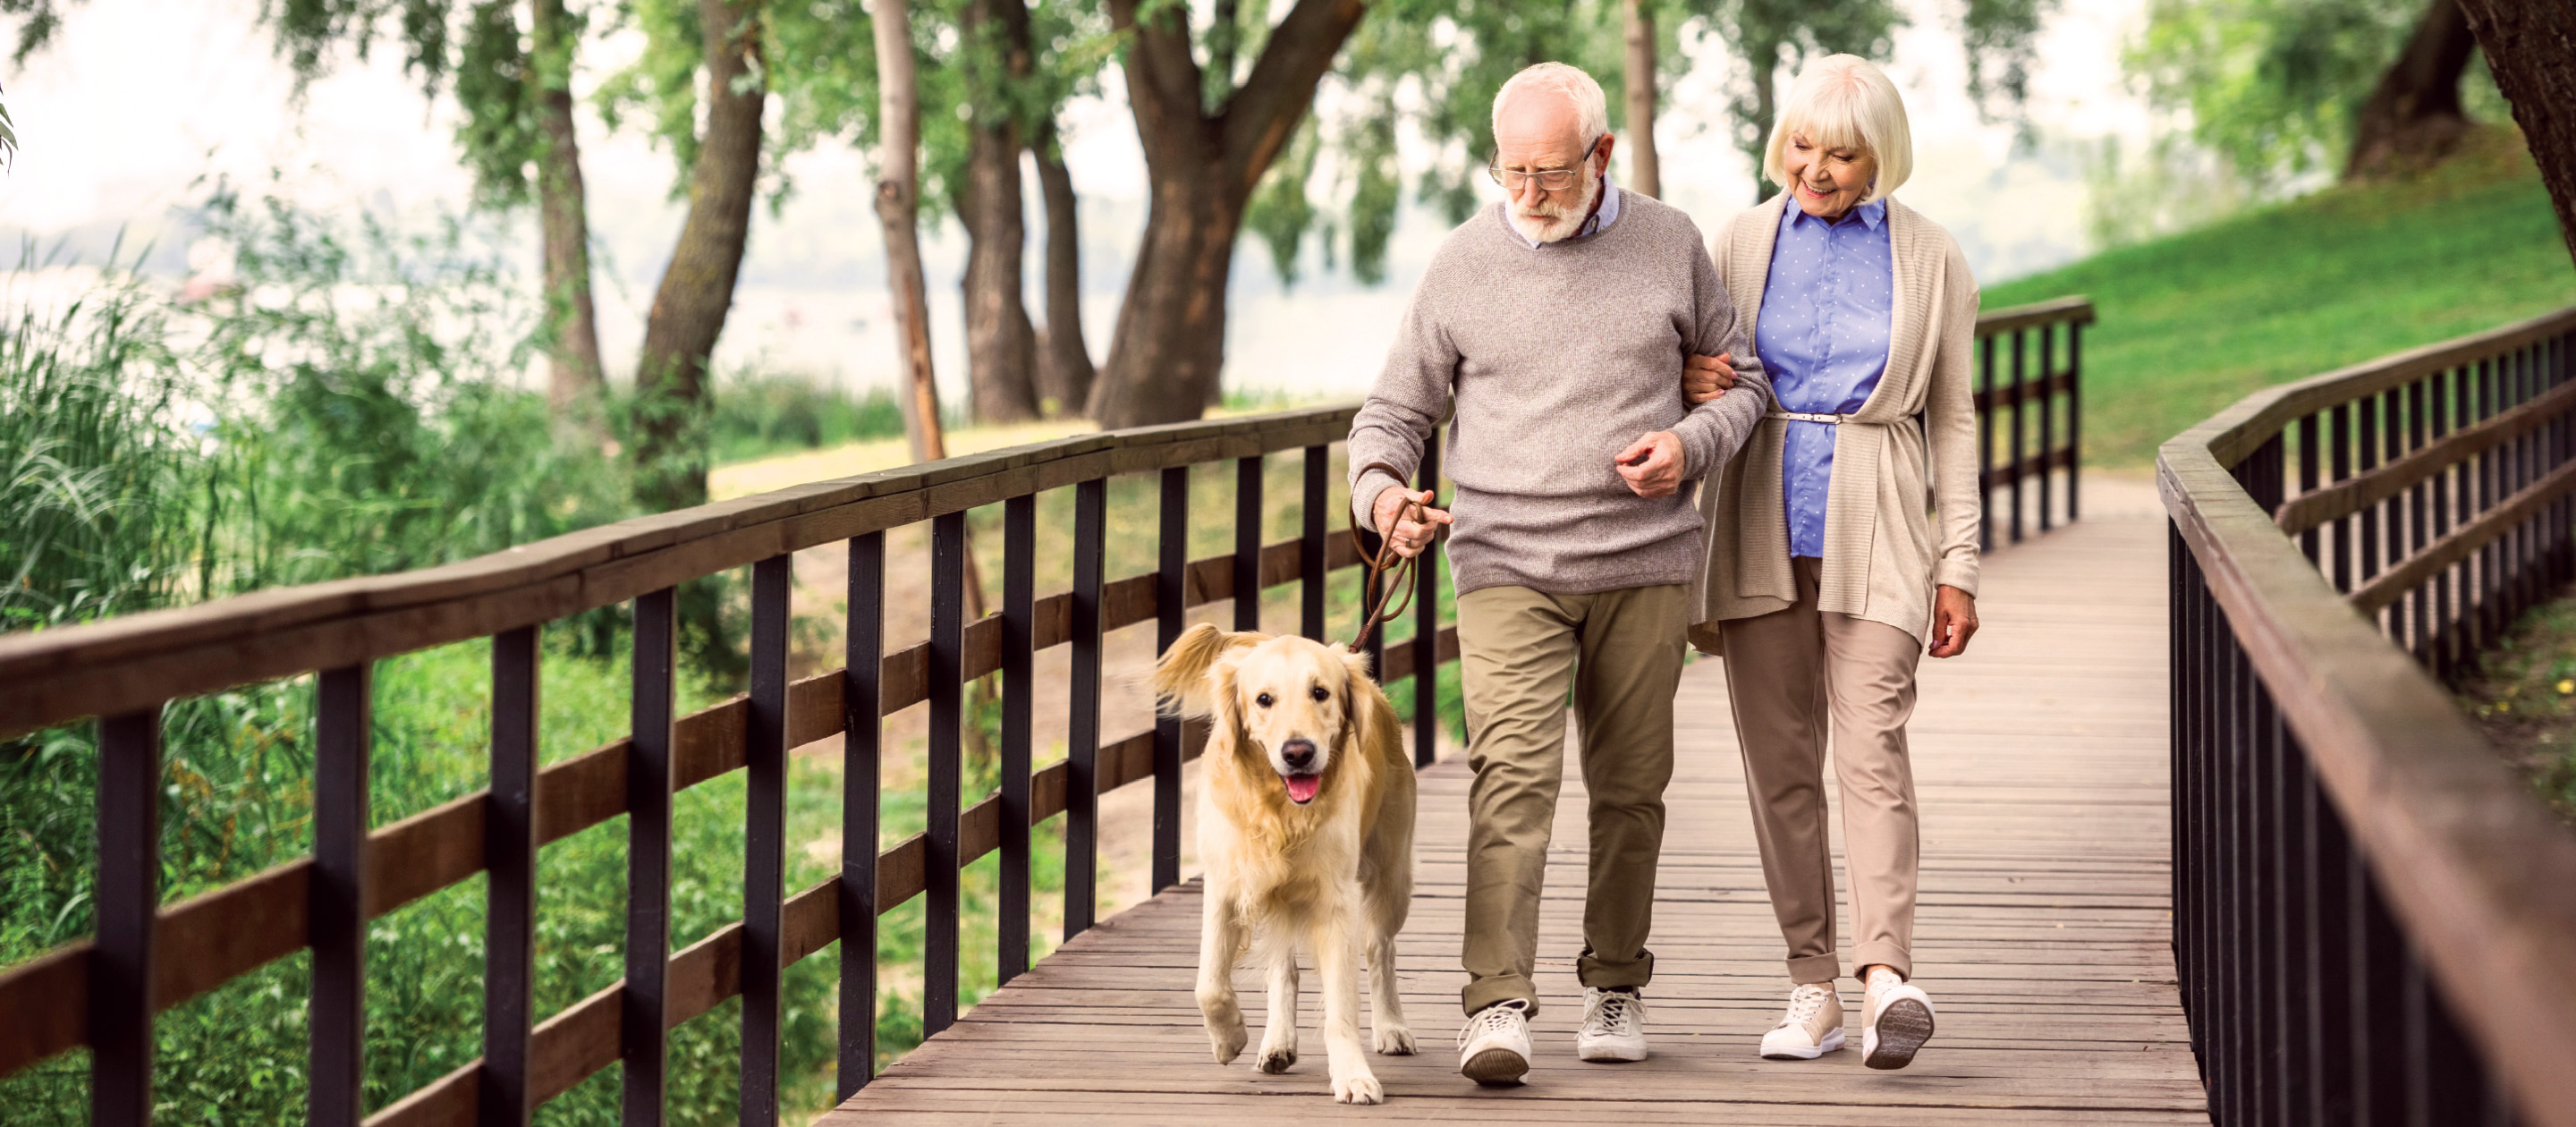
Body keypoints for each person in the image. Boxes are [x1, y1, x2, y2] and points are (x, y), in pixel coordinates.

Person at [1344, 61, 1771, 1086]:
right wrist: (1384, 498)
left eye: (1550, 172)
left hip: (1644, 561)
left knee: (1631, 789)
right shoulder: (1461, 263)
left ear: (1602, 155)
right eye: (1511, 173)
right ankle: (1496, 1003)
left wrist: (1689, 445)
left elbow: (1745, 382)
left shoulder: (1670, 244)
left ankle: (1614, 982)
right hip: (1506, 561)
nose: (1527, 195)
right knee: (1513, 781)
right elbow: (1391, 416)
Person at [1682, 54, 1982, 1072]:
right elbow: (1706, 379)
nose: (1816, 169)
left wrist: (1961, 562)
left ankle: (1885, 975)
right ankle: (1810, 987)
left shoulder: (1933, 257)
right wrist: (1694, 378)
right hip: (1760, 519)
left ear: (1880, 157)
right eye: (1803, 146)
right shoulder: (1737, 241)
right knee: (1781, 770)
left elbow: (1954, 418)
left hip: (1882, 520)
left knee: (1872, 750)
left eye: (1842, 154)